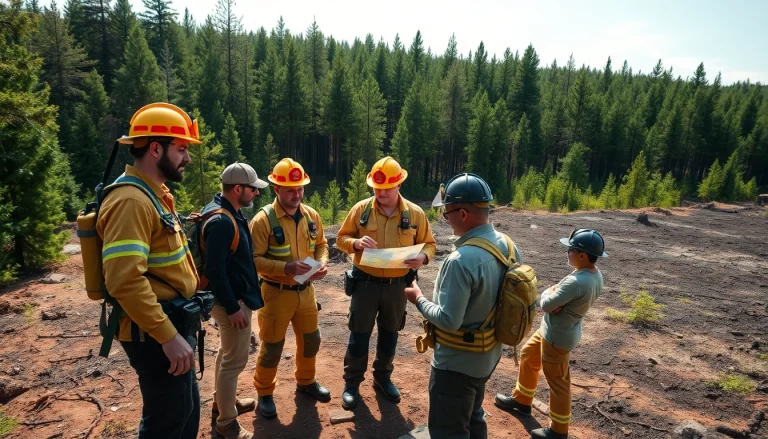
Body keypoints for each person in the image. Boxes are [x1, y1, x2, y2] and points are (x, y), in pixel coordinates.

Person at [97, 103, 201, 438]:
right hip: (154, 334)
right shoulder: (131, 201)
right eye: (182, 149)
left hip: (171, 324)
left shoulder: (156, 195)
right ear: (155, 148)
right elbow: (124, 280)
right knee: (165, 423)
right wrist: (168, 337)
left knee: (185, 410)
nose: (187, 158)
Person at [404, 173, 522, 439]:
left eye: (447, 214)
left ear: (464, 214)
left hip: (456, 364)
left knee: (448, 429)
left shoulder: (460, 260)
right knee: (473, 414)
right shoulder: (507, 244)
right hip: (488, 356)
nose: (446, 220)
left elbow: (448, 320)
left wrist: (418, 299)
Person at [336, 156, 437, 410]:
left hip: (397, 286)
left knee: (390, 334)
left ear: (399, 185)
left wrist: (423, 257)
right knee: (359, 335)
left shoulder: (414, 213)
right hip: (365, 285)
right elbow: (341, 238)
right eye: (376, 189)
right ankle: (352, 383)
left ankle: (383, 377)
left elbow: (430, 244)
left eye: (386, 188)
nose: (380, 193)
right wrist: (355, 244)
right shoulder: (361, 210)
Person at [495, 229, 606, 439]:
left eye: (571, 249)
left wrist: (548, 292)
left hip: (558, 337)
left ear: (582, 255)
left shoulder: (577, 281)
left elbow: (545, 303)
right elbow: (556, 300)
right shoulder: (594, 273)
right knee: (528, 354)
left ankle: (558, 430)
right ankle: (522, 401)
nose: (568, 253)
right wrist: (556, 296)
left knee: (558, 383)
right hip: (551, 330)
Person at [249, 158, 330, 418]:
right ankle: (264, 392)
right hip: (275, 294)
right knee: (272, 347)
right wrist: (285, 268)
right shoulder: (262, 220)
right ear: (276, 189)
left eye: (300, 189)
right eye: (290, 190)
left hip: (306, 293)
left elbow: (322, 245)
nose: (297, 195)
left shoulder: (311, 215)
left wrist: (323, 263)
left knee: (311, 340)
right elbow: (254, 259)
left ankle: (306, 381)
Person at [203, 162, 268, 439]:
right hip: (231, 303)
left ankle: (223, 404)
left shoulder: (228, 211)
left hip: (233, 300)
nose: (256, 194)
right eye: (253, 189)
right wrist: (232, 308)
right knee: (235, 361)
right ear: (238, 188)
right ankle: (226, 424)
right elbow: (214, 271)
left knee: (226, 353)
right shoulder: (221, 221)